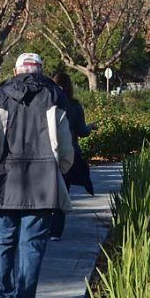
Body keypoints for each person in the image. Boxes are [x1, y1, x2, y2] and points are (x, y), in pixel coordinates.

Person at [0, 52, 74, 298]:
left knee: (2, 242)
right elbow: (65, 147)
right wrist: (59, 171)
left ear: (16, 71)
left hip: (2, 181)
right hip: (43, 183)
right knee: (32, 248)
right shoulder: (56, 96)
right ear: (41, 71)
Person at [49, 72, 96, 241]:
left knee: (45, 190)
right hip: (68, 153)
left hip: (46, 152)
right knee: (63, 191)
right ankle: (55, 231)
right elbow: (82, 132)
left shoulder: (45, 104)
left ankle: (43, 226)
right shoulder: (75, 107)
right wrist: (91, 127)